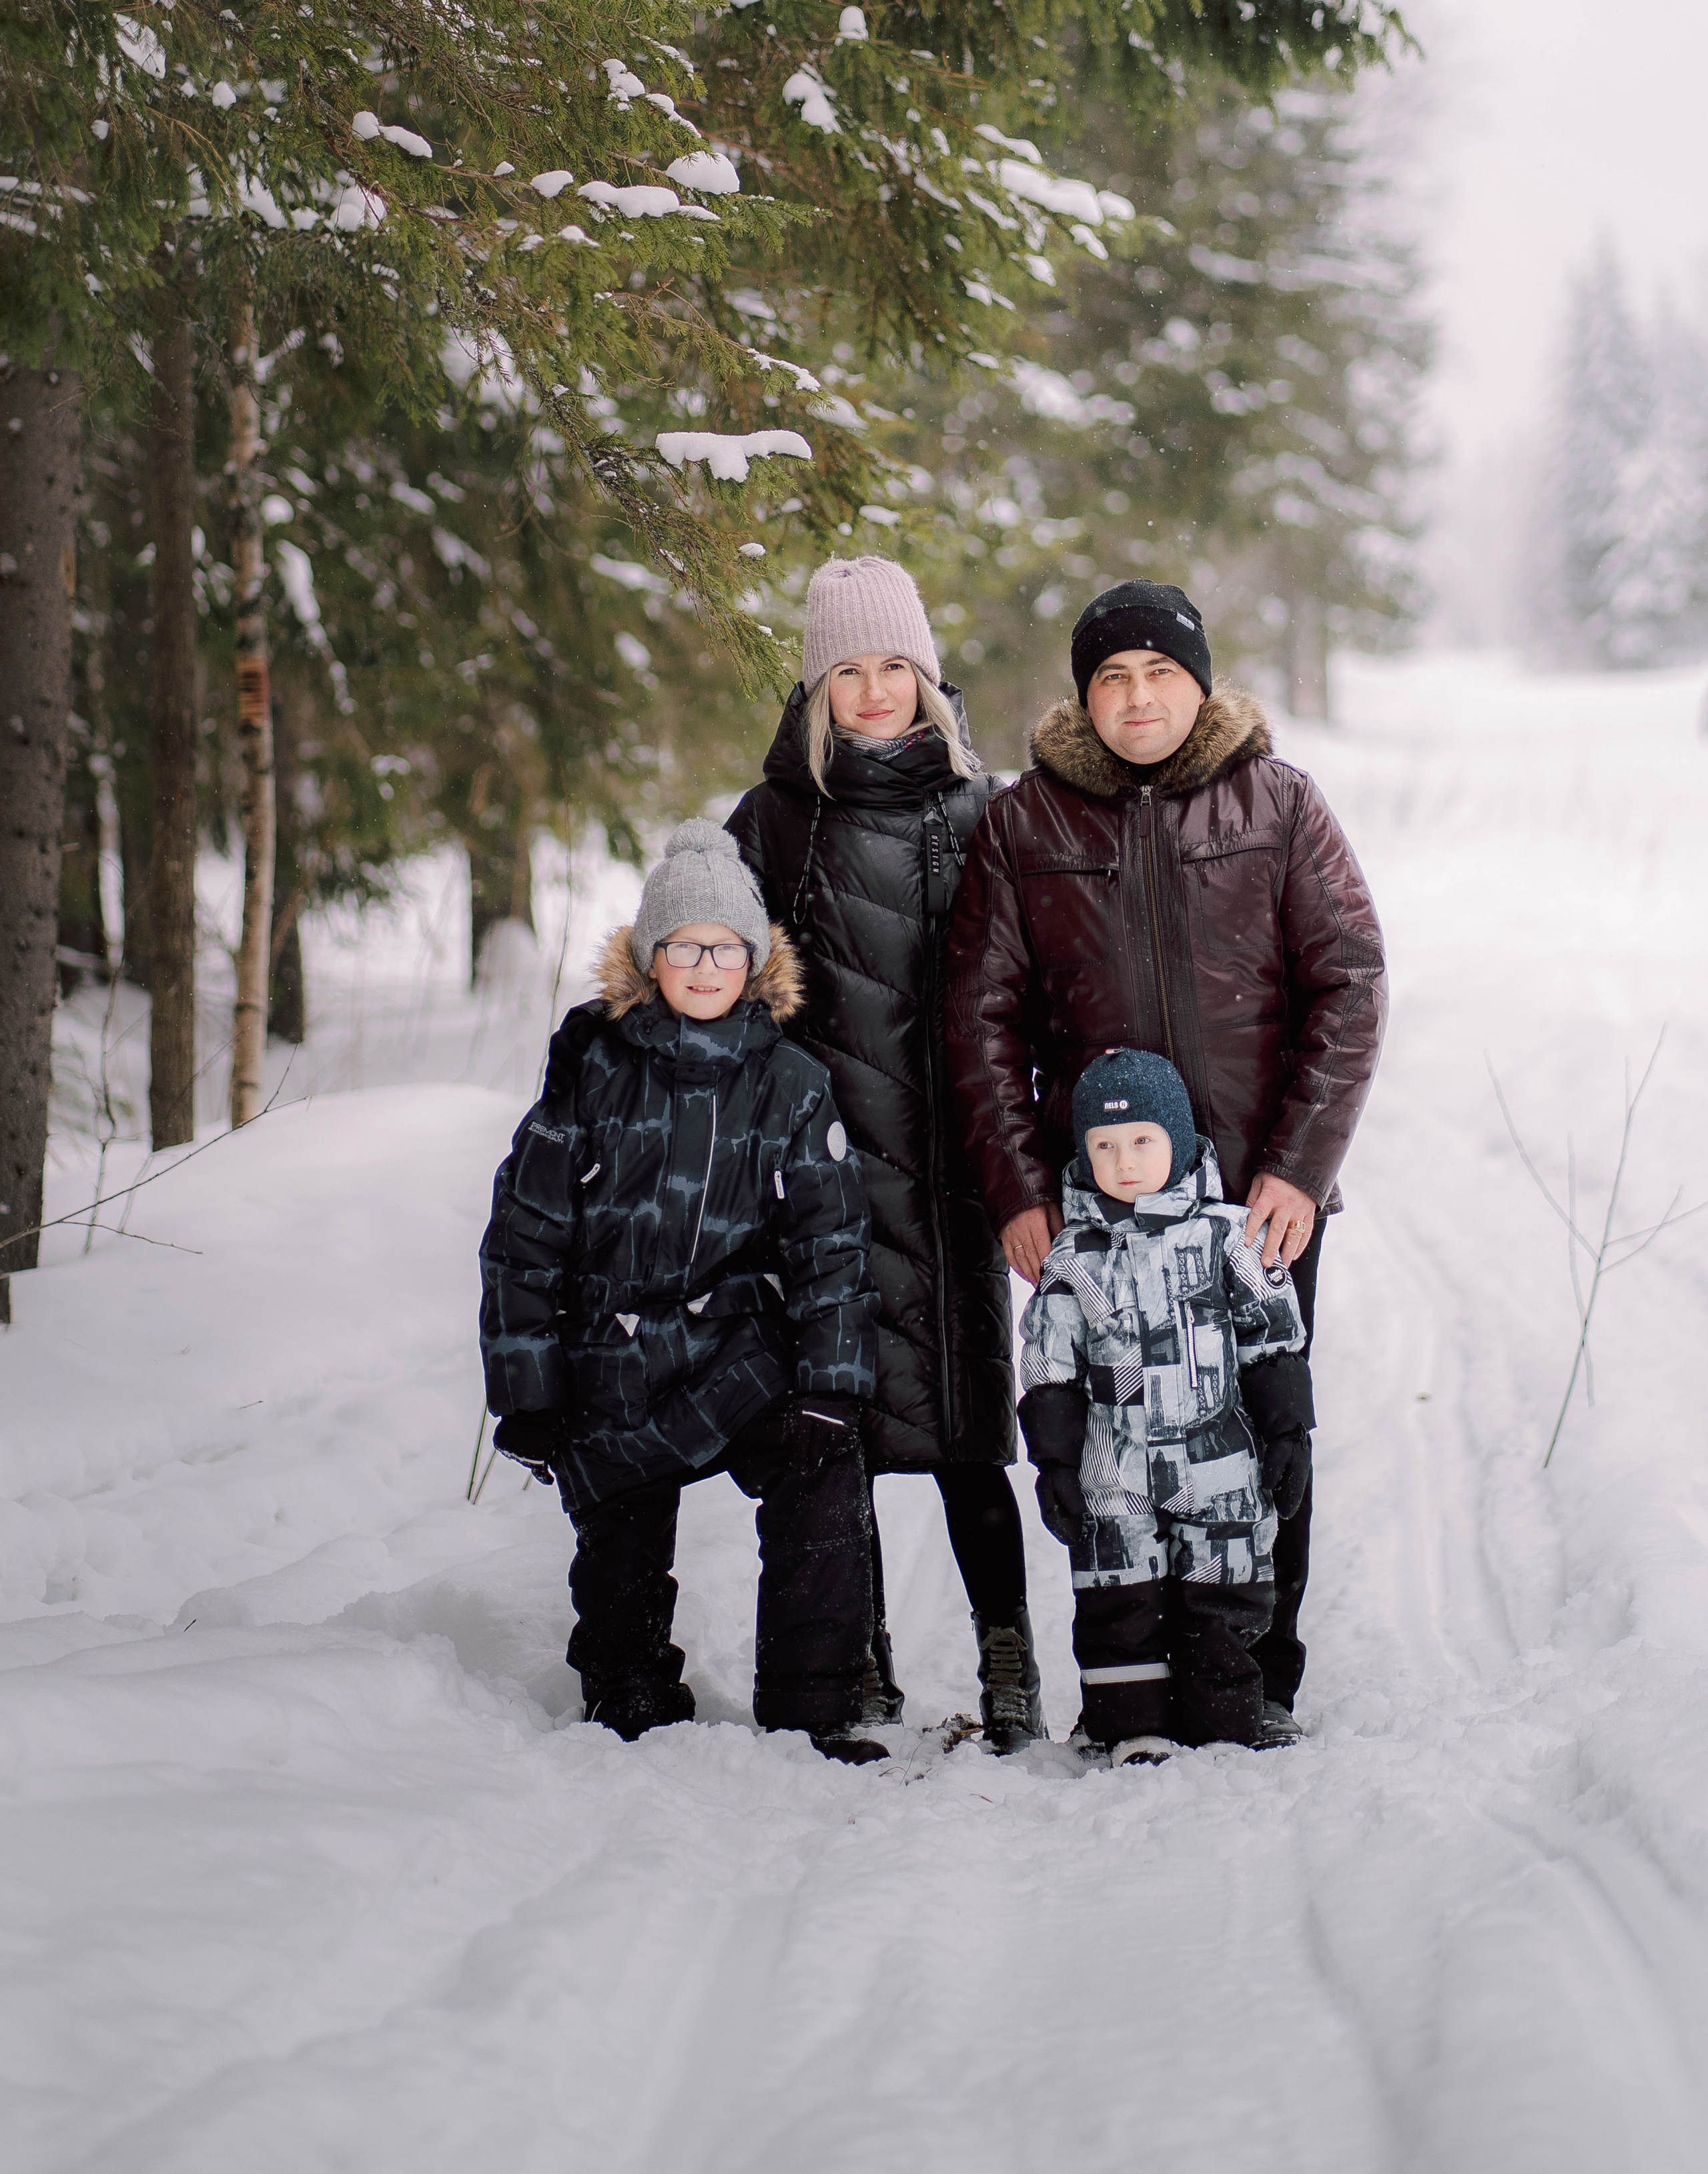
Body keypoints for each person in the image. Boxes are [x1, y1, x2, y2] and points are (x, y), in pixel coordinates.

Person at [946, 579, 1386, 1717]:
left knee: (1257, 1433)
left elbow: (1349, 984)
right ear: (1084, 694)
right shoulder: (1025, 822)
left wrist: (1303, 1166)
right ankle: (1134, 1678)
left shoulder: (1280, 805)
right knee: (1116, 1450)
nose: (1138, 698)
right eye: (1112, 678)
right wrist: (1019, 1188)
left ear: (1200, 683)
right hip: (1097, 1218)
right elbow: (979, 1018)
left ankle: (1251, 1679)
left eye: (1160, 674)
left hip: (1252, 1205)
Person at [478, 818, 887, 1764]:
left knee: (823, 1463)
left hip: (729, 1354)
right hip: (611, 1361)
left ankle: (813, 1699)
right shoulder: (593, 1069)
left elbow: (830, 1239)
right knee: (618, 1552)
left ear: (755, 959)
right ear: (650, 956)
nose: (706, 967)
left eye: (727, 948)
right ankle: (629, 1681)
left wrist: (829, 1381)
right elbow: (527, 1235)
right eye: (683, 947)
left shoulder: (791, 1084)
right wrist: (528, 1390)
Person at [728, 557, 1042, 1752]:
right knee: (839, 1431)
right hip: (823, 1181)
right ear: (816, 689)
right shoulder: (771, 822)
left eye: (893, 668)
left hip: (957, 1173)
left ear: (928, 679)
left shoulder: (987, 811)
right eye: (846, 671)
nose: (871, 692)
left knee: (971, 1435)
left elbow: (1029, 988)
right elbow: (726, 991)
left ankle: (1009, 1660)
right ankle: (859, 1660)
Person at [1019, 1049, 1311, 1757]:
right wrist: (1054, 1464)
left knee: (1225, 1594)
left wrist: (1288, 1433)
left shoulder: (1227, 1237)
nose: (1124, 1161)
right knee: (1119, 1603)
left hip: (1219, 1463)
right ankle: (1130, 1728)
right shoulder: (1072, 1258)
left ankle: (1223, 1722)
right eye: (1104, 1145)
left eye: (1143, 1141)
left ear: (1178, 1142)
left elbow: (1270, 1344)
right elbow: (1049, 1368)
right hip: (1112, 1468)